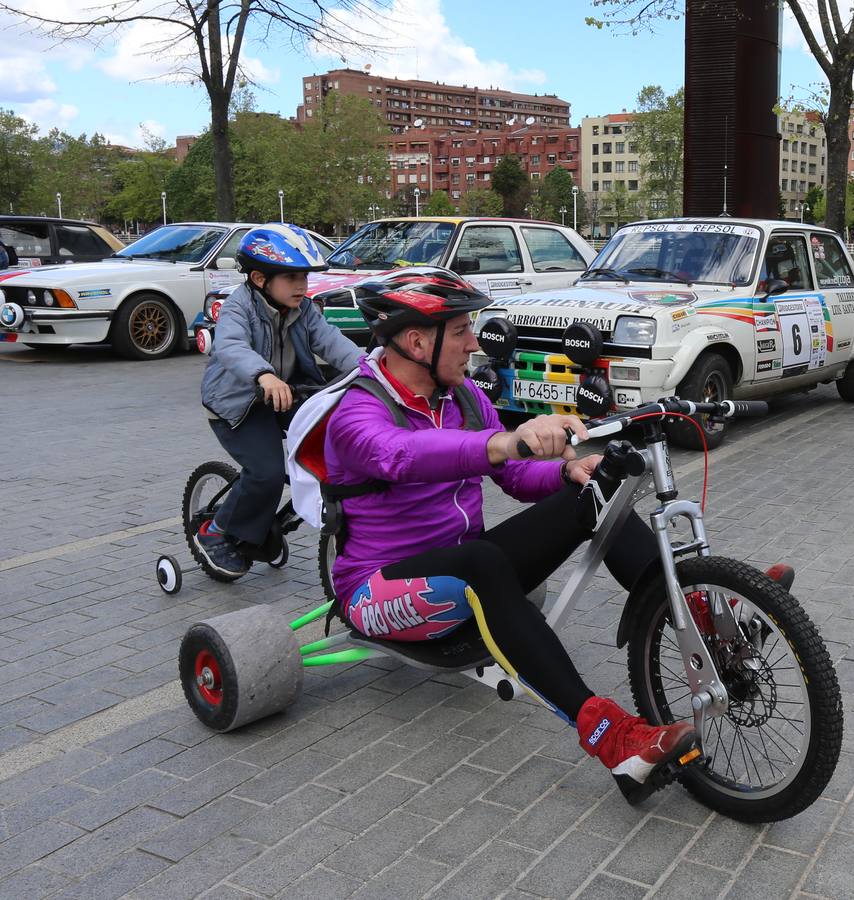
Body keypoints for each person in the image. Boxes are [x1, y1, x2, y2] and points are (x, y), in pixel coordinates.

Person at [321, 273, 790, 804]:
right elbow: (402, 457)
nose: (474, 342)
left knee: (594, 498)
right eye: (460, 330)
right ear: (416, 342)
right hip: (377, 591)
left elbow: (517, 478)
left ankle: (704, 622)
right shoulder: (357, 410)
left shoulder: (465, 395)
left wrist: (568, 474)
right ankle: (611, 739)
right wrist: (502, 441)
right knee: (479, 560)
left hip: (461, 566)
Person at [197, 223, 363, 578]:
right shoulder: (237, 307)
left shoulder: (303, 309)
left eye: (304, 276)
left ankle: (277, 518)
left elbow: (333, 342)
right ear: (259, 279)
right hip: (238, 405)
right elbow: (230, 346)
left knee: (337, 447)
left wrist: (376, 370)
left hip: (286, 395)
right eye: (291, 277)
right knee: (267, 473)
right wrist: (263, 375)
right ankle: (217, 530)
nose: (302, 285)